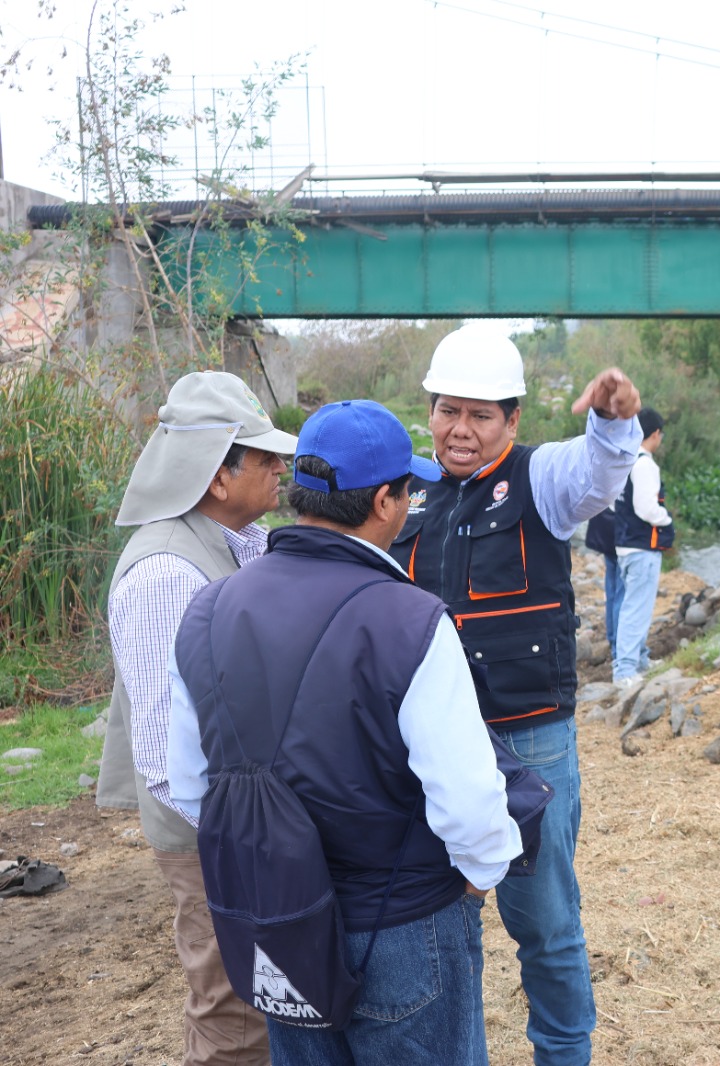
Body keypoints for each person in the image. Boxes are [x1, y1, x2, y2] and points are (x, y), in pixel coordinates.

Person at [165, 399, 527, 1064]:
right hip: (402, 925)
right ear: (387, 502)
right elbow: (469, 799)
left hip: (279, 922)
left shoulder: (207, 609)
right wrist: (481, 876)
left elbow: (189, 786)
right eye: (407, 492)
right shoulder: (411, 621)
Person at [390, 328, 642, 1066]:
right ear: (429, 411)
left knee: (546, 922)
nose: (460, 431)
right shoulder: (404, 492)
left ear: (513, 421)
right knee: (440, 923)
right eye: (447, 412)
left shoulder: (544, 479)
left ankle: (564, 1053)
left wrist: (614, 418)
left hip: (529, 742)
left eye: (480, 416)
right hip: (430, 745)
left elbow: (601, 471)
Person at [98, 371, 297, 1066]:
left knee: (267, 998)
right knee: (234, 1011)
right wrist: (243, 841)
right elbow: (163, 760)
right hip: (214, 835)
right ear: (217, 476)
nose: (281, 468)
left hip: (243, 824)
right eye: (265, 457)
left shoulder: (240, 543)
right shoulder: (165, 574)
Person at [611, 407, 674, 686]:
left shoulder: (625, 460)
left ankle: (640, 658)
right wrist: (666, 519)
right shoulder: (646, 465)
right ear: (655, 434)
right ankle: (625, 670)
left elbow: (613, 502)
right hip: (642, 547)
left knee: (630, 603)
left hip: (624, 545)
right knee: (637, 607)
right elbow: (647, 508)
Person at [583, 507, 621, 664]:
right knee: (621, 593)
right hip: (622, 535)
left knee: (612, 591)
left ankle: (613, 640)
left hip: (605, 531)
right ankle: (619, 647)